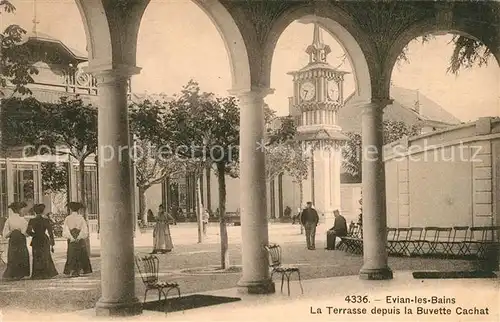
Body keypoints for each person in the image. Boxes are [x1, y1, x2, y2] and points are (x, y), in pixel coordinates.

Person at [27, 204, 58, 279]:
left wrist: (34, 235)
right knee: (45, 255)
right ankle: (46, 273)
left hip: (36, 239)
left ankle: (37, 274)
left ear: (35, 211)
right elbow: (50, 232)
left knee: (36, 256)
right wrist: (52, 243)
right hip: (44, 239)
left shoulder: (32, 221)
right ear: (42, 211)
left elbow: (28, 231)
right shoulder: (46, 220)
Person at [63, 202, 92, 277]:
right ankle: (79, 270)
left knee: (71, 253)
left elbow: (65, 229)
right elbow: (84, 229)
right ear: (78, 209)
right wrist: (79, 237)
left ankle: (72, 270)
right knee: (80, 253)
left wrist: (71, 237)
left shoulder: (68, 218)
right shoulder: (81, 218)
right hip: (79, 238)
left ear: (70, 209)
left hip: (71, 237)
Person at [2, 201, 30, 280]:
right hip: (20, 238)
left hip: (13, 238)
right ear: (19, 210)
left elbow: (5, 233)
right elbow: (25, 232)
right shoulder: (22, 220)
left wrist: (11, 232)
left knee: (13, 255)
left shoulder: (9, 219)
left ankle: (12, 273)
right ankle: (20, 273)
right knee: (21, 254)